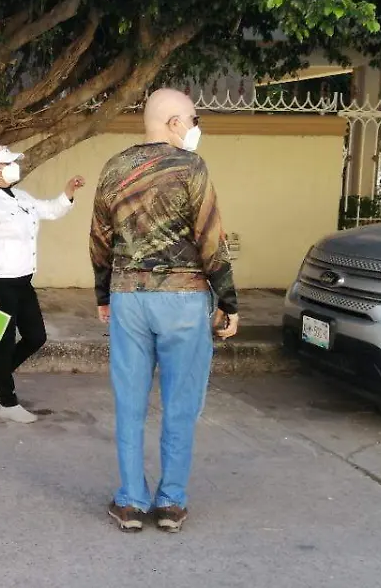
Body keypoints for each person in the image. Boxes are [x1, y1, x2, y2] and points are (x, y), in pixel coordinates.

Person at [90, 87, 239, 534]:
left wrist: (103, 295)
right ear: (174, 123)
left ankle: (131, 502)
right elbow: (211, 239)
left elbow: (100, 239)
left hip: (129, 298)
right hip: (183, 301)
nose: (196, 127)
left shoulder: (114, 167)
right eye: (193, 119)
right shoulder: (192, 167)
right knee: (180, 404)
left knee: (129, 402)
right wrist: (228, 300)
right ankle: (171, 502)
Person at [0, 150, 86, 423]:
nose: (13, 167)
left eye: (13, 163)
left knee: (36, 337)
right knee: (3, 343)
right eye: (6, 164)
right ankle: (7, 402)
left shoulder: (21, 197)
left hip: (23, 281)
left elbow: (50, 210)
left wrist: (68, 191)